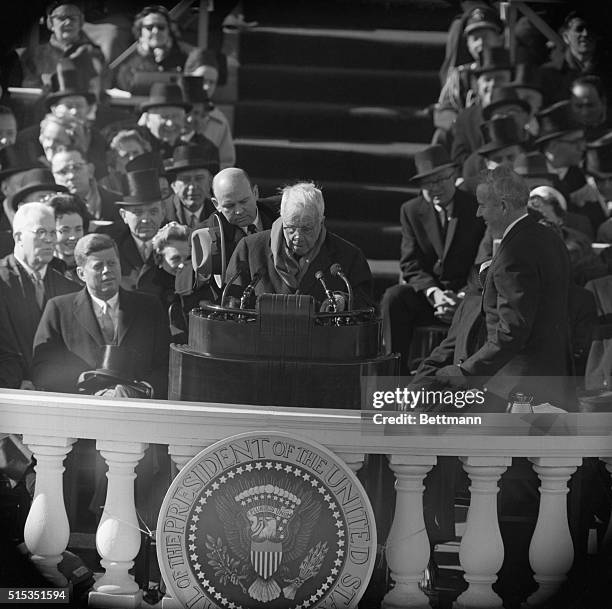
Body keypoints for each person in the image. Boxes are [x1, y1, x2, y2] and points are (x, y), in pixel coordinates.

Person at [435, 165, 573, 410]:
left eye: (483, 205)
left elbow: (512, 330)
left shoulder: (514, 253)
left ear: (503, 206)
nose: (478, 213)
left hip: (518, 391)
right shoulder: (549, 238)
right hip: (550, 379)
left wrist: (467, 371)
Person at [381, 145, 484, 375]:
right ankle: (393, 373)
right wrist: (435, 294)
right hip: (431, 298)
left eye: (441, 180)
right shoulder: (410, 210)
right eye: (428, 183)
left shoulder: (475, 208)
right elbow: (410, 264)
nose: (435, 188)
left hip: (467, 297)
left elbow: (483, 260)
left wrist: (462, 296)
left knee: (481, 305)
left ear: (454, 176)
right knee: (394, 298)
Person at [31, 233, 170, 397]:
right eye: (98, 266)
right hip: (82, 411)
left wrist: (141, 390)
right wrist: (84, 382)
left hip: (138, 409)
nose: (107, 271)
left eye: (112, 263)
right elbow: (42, 368)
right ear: (81, 273)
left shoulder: (149, 307)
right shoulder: (58, 309)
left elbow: (167, 363)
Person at [225, 181, 373, 310]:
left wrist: (344, 301)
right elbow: (230, 304)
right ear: (282, 218)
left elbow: (366, 306)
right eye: (291, 228)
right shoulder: (250, 249)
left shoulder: (348, 257)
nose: (297, 236)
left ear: (321, 222)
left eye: (307, 229)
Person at [0, 203, 79, 388]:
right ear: (18, 237)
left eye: (53, 233)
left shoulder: (69, 288)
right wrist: (17, 380)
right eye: (41, 232)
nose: (50, 240)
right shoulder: (1, 280)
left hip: (56, 392)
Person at [20, 2, 108, 88]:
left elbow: (104, 88)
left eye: (73, 18)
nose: (68, 22)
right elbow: (29, 92)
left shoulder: (95, 53)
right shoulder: (33, 55)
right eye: (62, 18)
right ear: (51, 22)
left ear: (81, 22)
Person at [115, 5, 192, 93]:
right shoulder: (129, 61)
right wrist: (146, 57)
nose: (155, 31)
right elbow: (124, 87)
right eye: (149, 27)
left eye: (161, 27)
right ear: (140, 32)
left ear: (169, 31)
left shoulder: (186, 57)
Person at [138, 82, 219, 165]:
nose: (170, 123)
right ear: (148, 119)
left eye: (175, 116)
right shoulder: (135, 149)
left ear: (183, 118)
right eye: (164, 117)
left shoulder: (199, 151)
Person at [112, 168, 165, 293]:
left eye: (153, 212)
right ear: (123, 215)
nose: (146, 220)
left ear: (163, 212)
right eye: (138, 213)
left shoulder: (176, 240)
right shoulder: (114, 247)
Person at [182, 58, 235, 168]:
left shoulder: (220, 122)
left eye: (212, 82)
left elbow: (226, 163)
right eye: (202, 80)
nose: (206, 87)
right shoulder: (157, 114)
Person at [51, 148, 122, 228]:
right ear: (53, 176)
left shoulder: (119, 204)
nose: (71, 176)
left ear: (90, 170)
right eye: (63, 171)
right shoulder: (49, 211)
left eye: (77, 168)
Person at [165, 143, 218, 228]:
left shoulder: (219, 213)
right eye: (186, 179)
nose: (192, 187)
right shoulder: (162, 214)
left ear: (210, 182)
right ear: (173, 185)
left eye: (199, 178)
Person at [47, 192, 89, 283]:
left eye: (78, 229)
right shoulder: (44, 271)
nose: (73, 237)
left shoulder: (90, 268)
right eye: (65, 230)